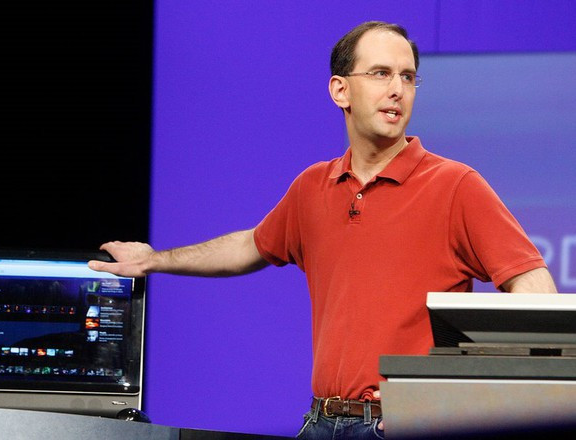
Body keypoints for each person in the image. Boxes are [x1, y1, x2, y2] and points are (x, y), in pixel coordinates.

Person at [89, 21, 557, 440]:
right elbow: (249, 246)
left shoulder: (455, 185)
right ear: (340, 90)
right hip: (320, 421)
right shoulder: (313, 186)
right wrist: (155, 259)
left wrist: (460, 393)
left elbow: (535, 289)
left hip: (402, 424)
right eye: (381, 74)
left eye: (408, 77)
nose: (398, 89)